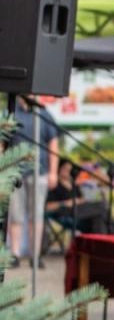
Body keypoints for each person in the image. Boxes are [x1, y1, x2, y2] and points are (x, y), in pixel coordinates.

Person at [7, 97, 59, 268]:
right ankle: (14, 254)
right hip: (16, 174)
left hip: (40, 172)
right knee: (15, 215)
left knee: (36, 216)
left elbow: (53, 144)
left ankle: (34, 256)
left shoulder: (44, 114)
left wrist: (53, 172)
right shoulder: (11, 113)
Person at [45, 158, 109, 236]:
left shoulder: (74, 185)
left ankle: (102, 244)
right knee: (101, 207)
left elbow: (81, 199)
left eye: (70, 169)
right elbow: (47, 207)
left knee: (98, 217)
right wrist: (66, 203)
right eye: (65, 168)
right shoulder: (54, 185)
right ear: (59, 168)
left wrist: (83, 200)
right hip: (65, 212)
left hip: (81, 211)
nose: (68, 171)